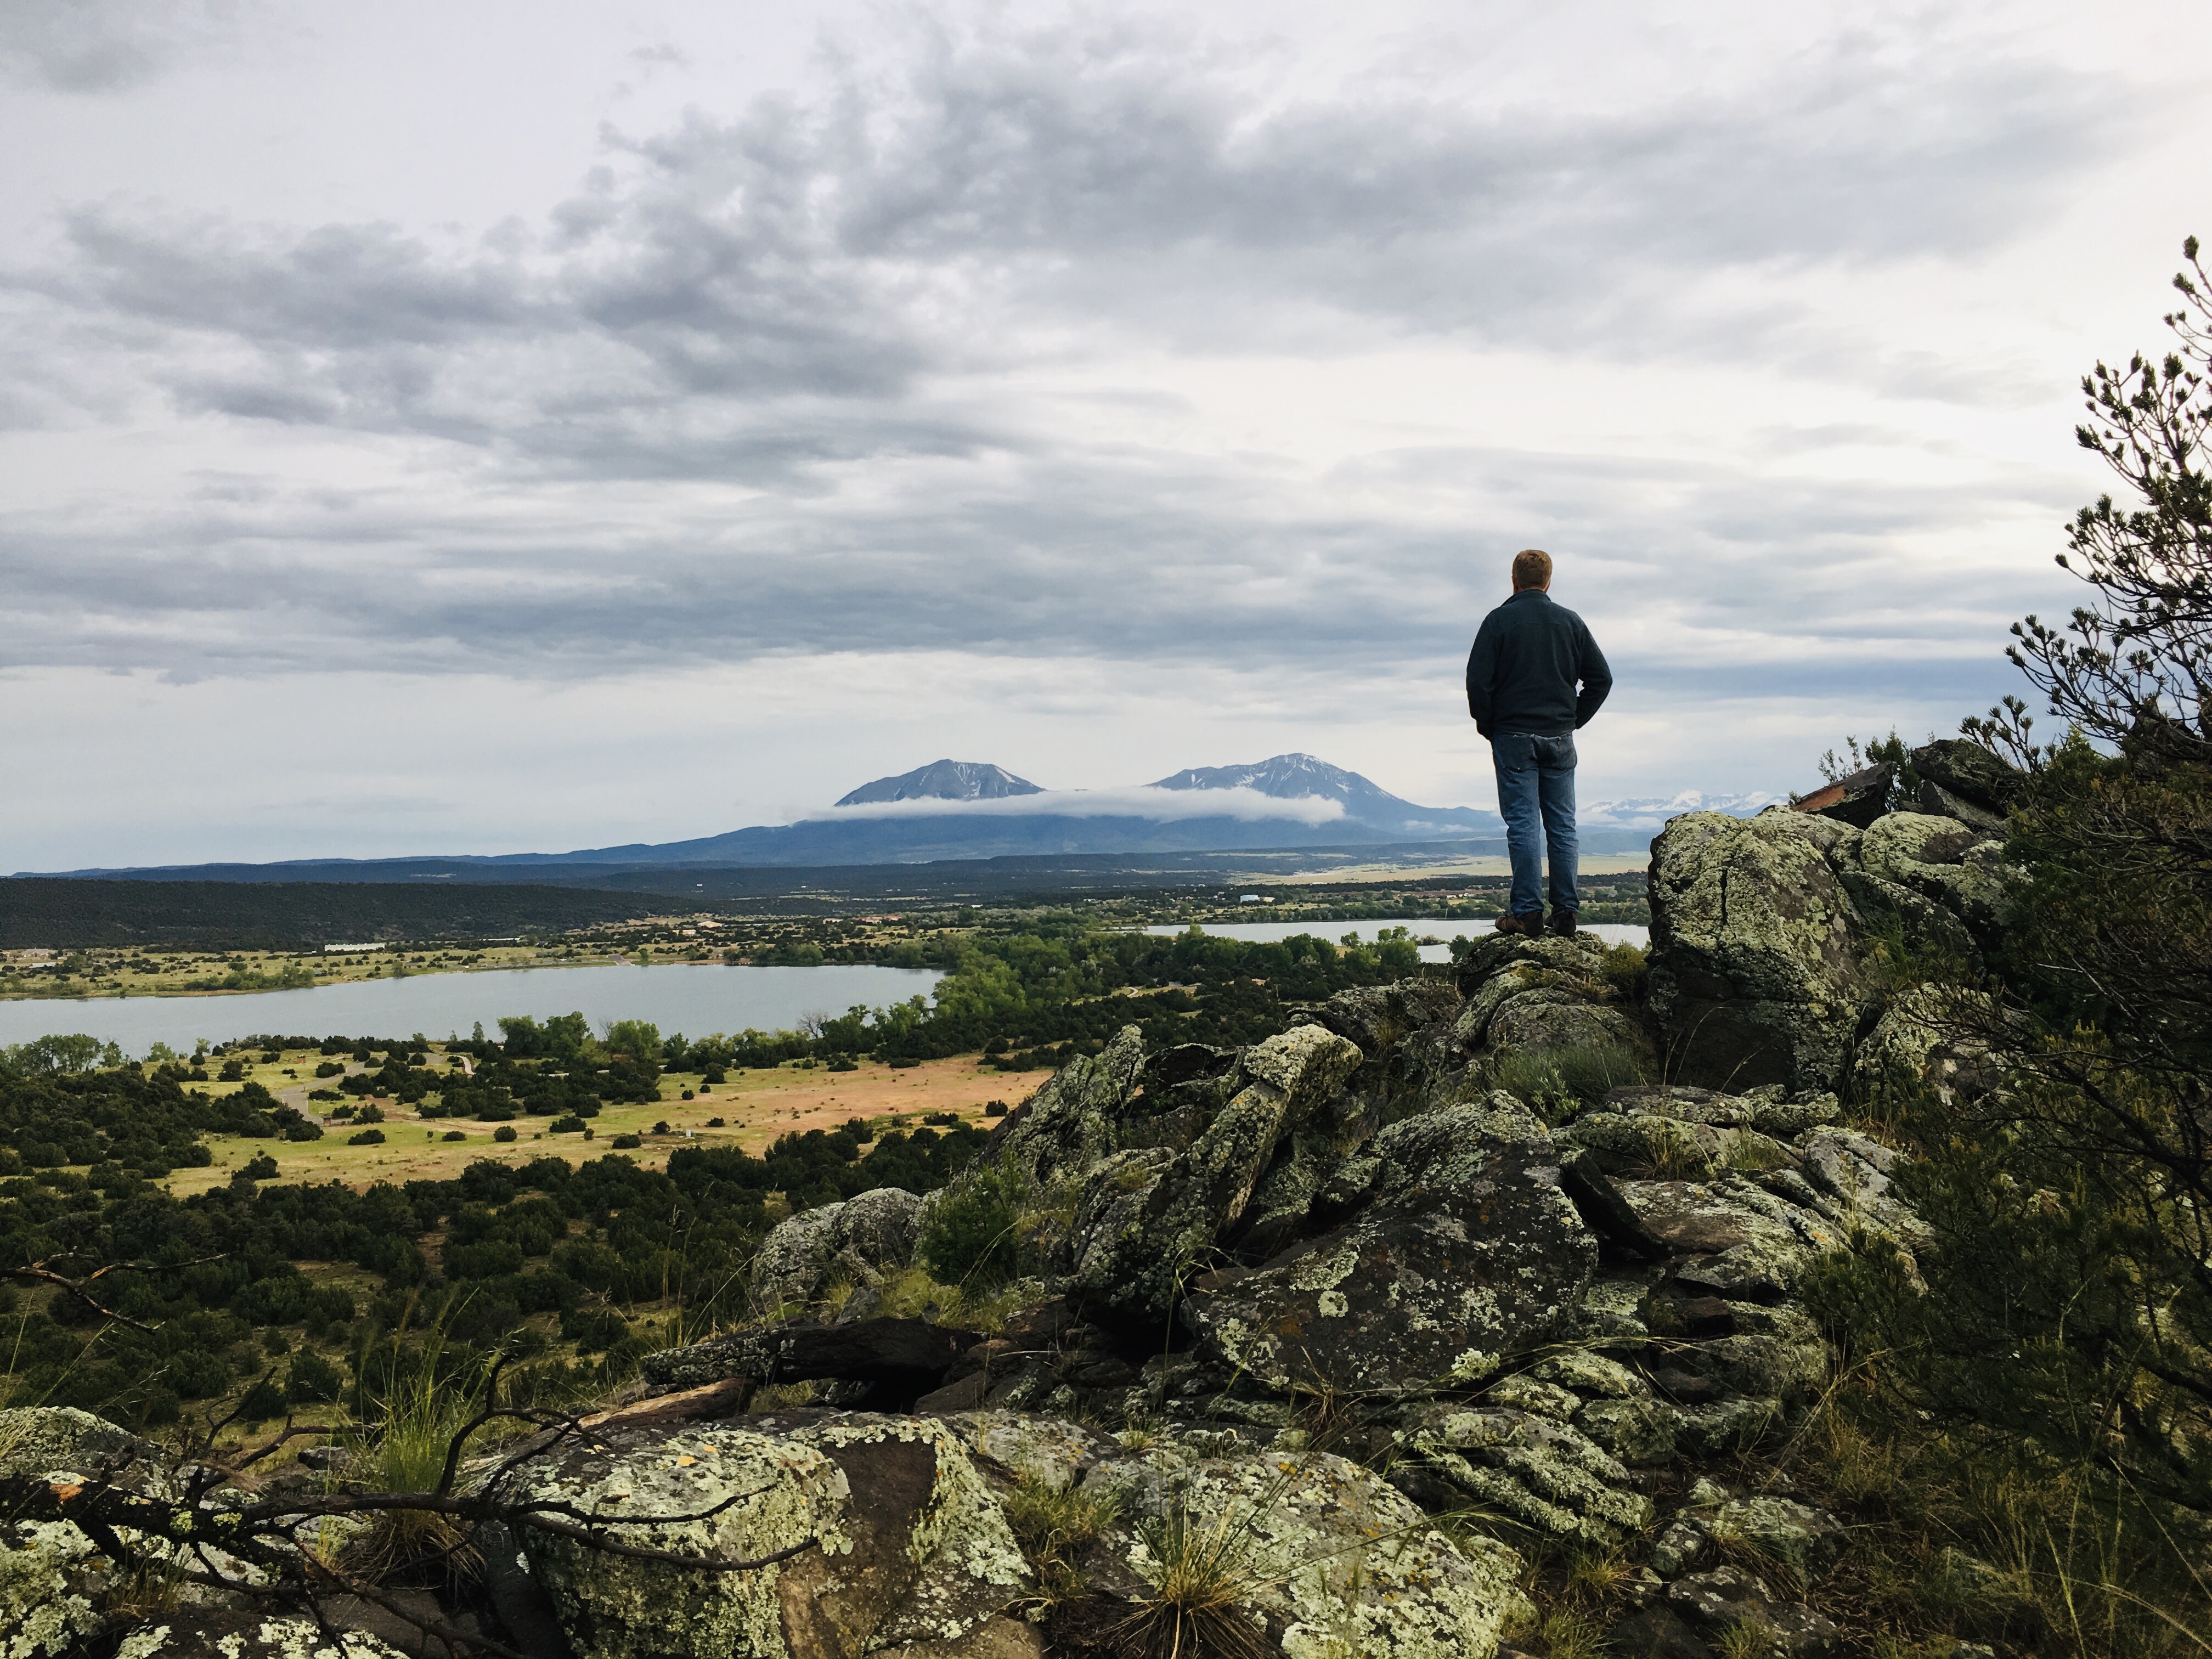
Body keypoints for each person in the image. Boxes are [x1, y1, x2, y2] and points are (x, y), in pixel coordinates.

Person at [1464, 548, 1612, 937]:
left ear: (1513, 580)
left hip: (1512, 737)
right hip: (1560, 737)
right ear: (1548, 581)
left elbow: (1477, 683)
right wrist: (1573, 720)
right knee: (1563, 826)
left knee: (1523, 824)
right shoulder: (1570, 622)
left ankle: (1527, 913)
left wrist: (1489, 726)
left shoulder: (1498, 622)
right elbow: (1602, 680)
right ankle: (1566, 914)